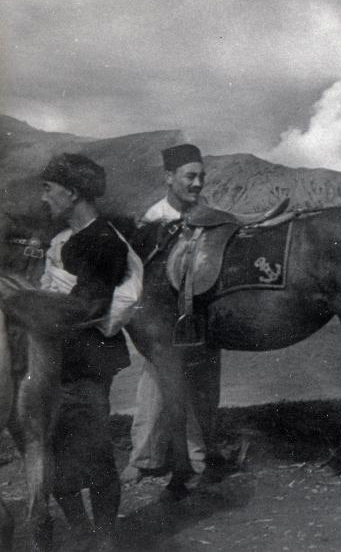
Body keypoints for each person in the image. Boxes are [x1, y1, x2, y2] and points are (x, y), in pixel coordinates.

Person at [39, 153, 134, 549]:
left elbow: (91, 306)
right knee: (57, 452)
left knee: (94, 452)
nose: (43, 198)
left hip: (87, 364)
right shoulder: (72, 241)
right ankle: (82, 532)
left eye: (48, 189)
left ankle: (105, 539)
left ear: (72, 192)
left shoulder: (103, 242)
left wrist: (33, 306)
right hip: (59, 362)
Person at [121, 143, 218, 483]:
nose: (197, 184)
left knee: (198, 384)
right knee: (157, 382)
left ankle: (187, 454)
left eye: (201, 177)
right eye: (190, 176)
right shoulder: (153, 220)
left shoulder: (208, 214)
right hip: (162, 318)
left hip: (199, 315)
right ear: (169, 178)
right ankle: (150, 456)